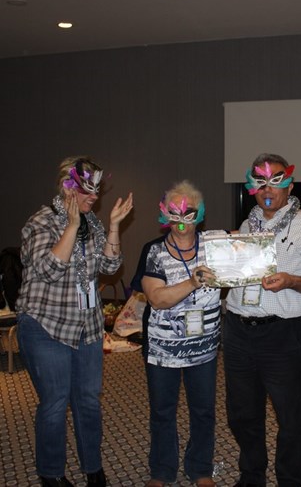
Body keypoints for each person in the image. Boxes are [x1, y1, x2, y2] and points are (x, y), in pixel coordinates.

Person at [16, 157, 133, 487]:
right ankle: (51, 473)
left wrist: (113, 226)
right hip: (46, 325)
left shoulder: (92, 223)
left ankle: (92, 467)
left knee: (88, 401)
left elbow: (110, 267)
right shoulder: (41, 221)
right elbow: (49, 270)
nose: (94, 196)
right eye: (87, 189)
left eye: (97, 189)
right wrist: (70, 225)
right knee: (55, 402)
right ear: (67, 187)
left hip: (87, 327)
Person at [224, 154, 301, 487]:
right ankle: (252, 475)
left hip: (281, 333)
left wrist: (291, 280)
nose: (267, 189)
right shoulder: (247, 227)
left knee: (289, 415)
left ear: (290, 186)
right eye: (260, 183)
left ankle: (290, 479)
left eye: (276, 181)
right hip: (238, 330)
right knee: (242, 413)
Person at [139, 181, 221, 487]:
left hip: (204, 346)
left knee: (203, 410)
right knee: (162, 411)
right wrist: (192, 282)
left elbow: (248, 256)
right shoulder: (154, 251)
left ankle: (200, 468)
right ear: (164, 214)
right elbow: (157, 298)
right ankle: (162, 470)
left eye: (189, 212)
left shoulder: (215, 245)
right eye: (174, 212)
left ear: (201, 213)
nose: (182, 219)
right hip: (164, 348)